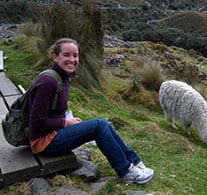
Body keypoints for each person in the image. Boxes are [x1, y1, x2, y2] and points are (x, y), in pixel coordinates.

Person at [28, 38, 154, 184]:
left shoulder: (62, 77)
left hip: (54, 133)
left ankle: (134, 162)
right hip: (43, 142)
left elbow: (53, 110)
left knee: (104, 124)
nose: (72, 59)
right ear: (55, 57)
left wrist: (67, 119)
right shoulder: (48, 82)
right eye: (67, 55)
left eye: (75, 55)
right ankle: (126, 171)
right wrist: (65, 122)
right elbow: (37, 122)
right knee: (99, 126)